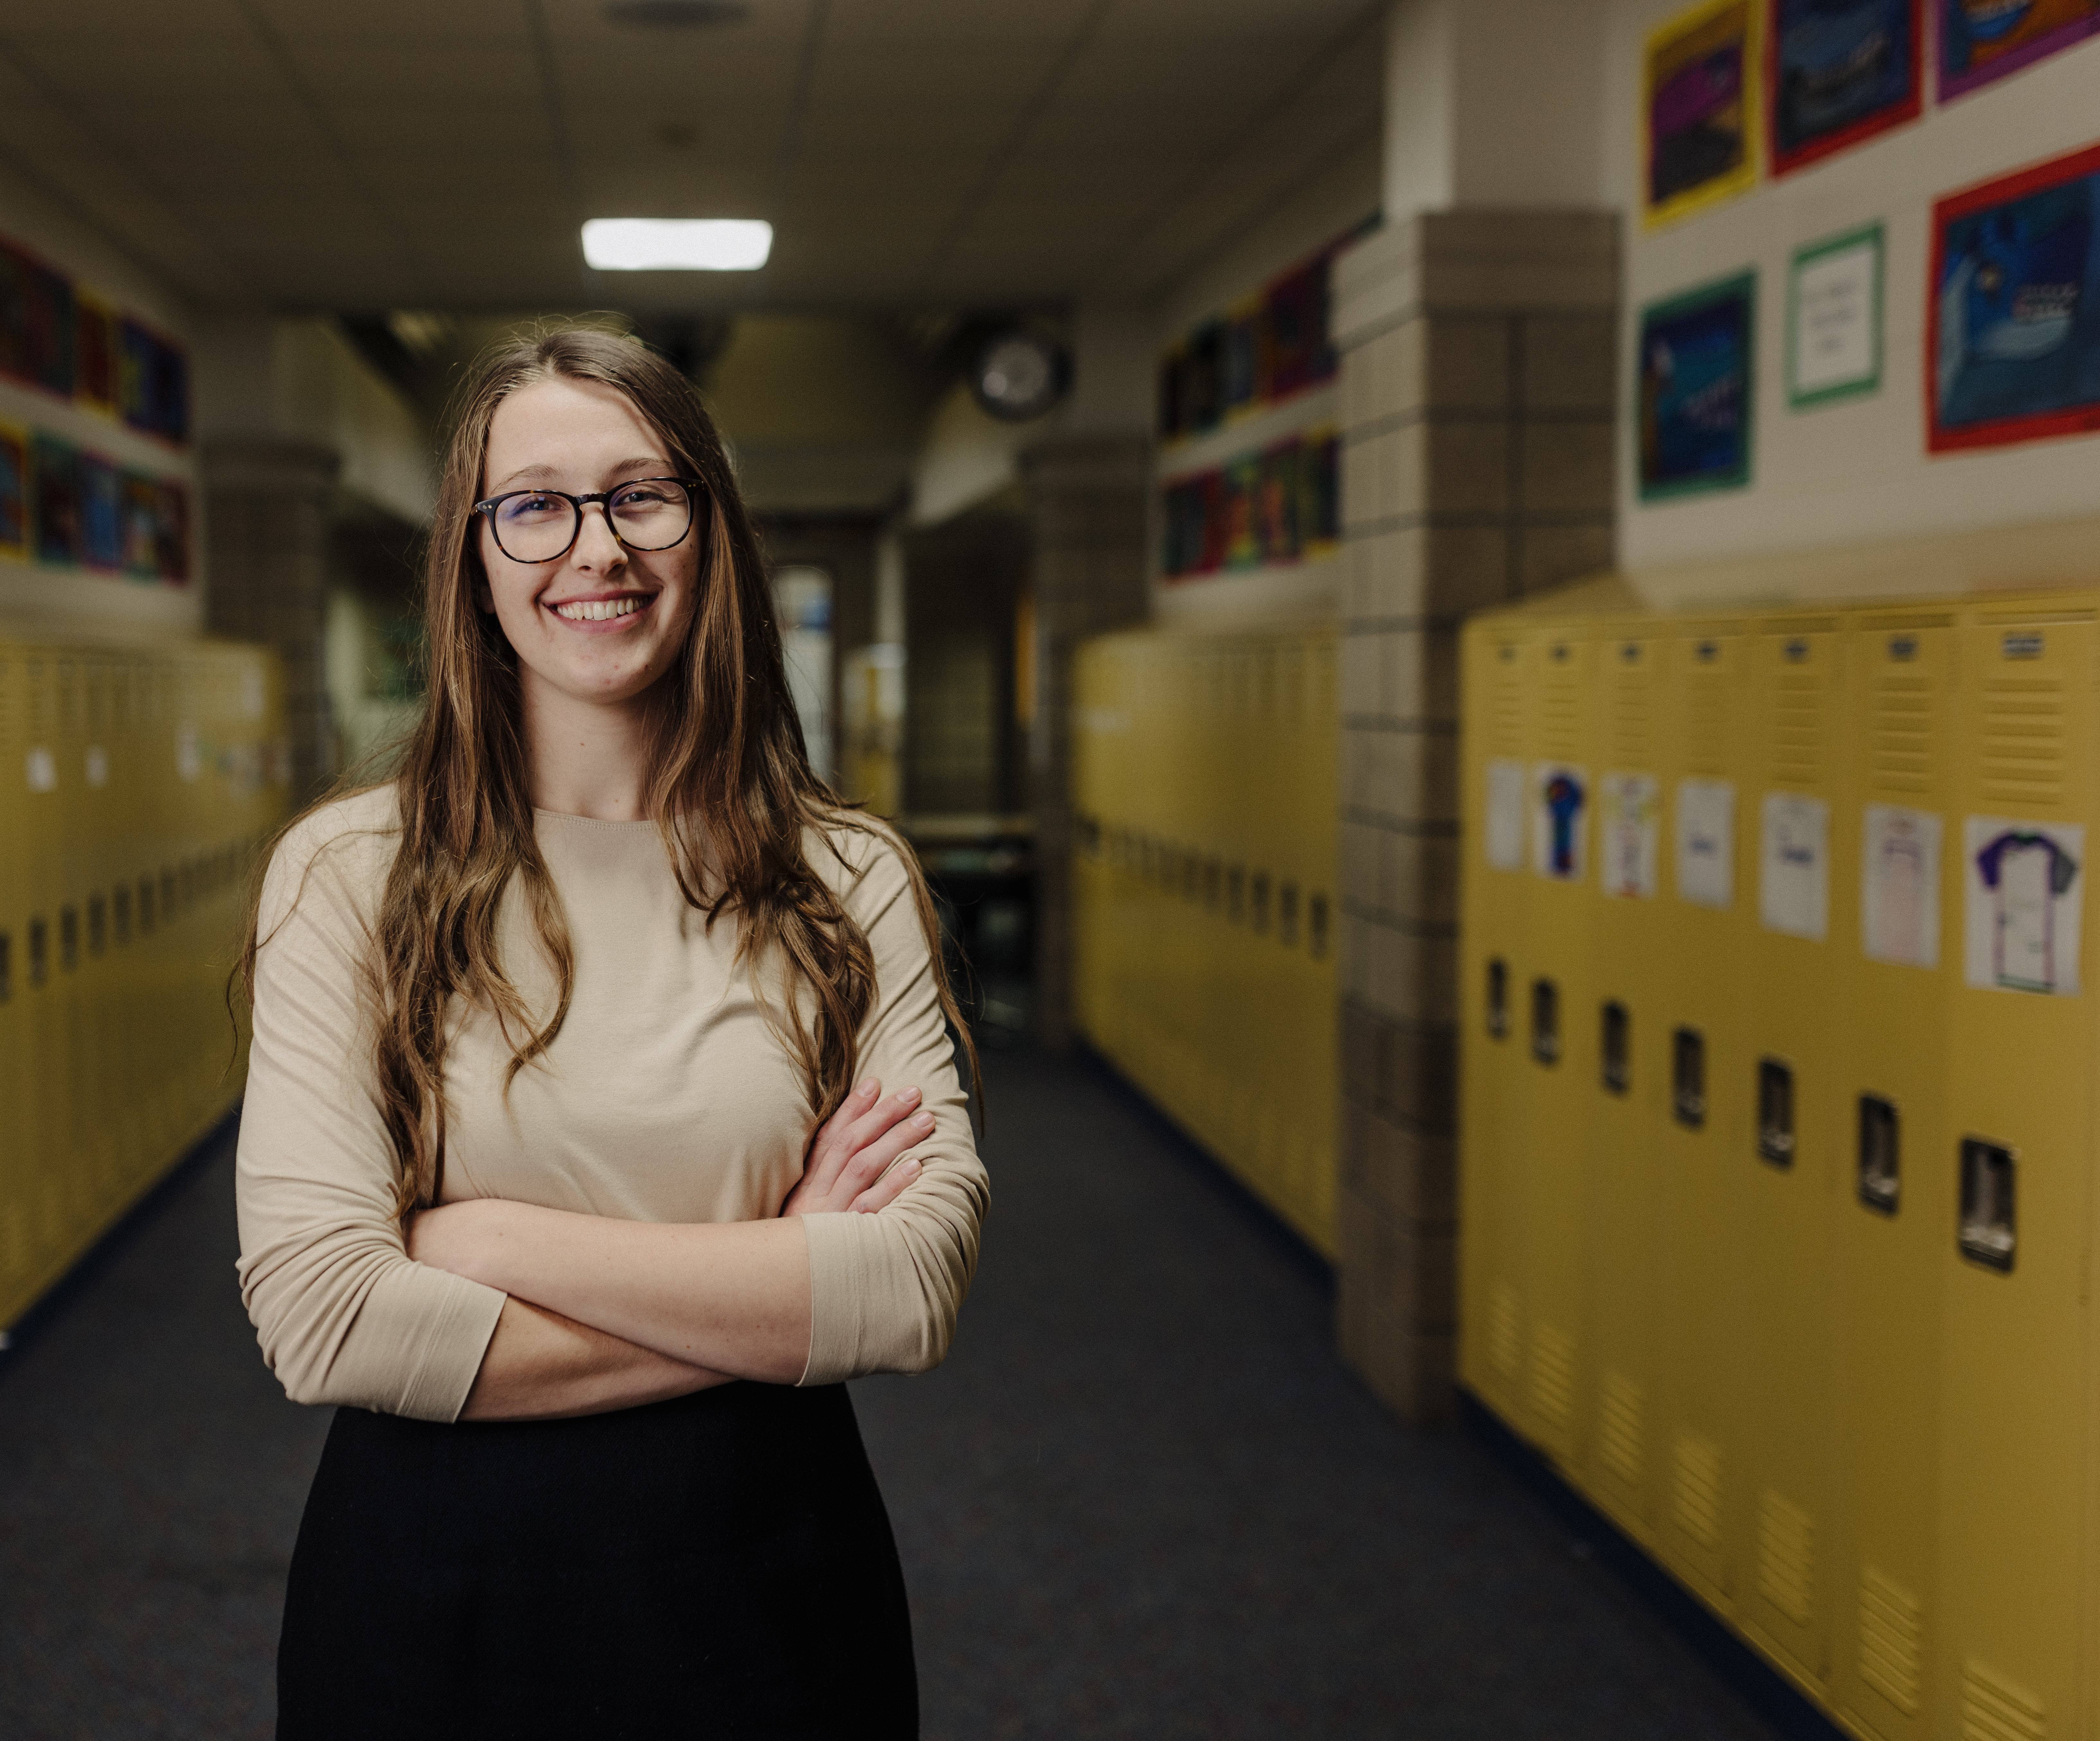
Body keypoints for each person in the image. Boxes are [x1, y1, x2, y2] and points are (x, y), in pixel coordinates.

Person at [234, 324, 988, 1739]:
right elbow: (328, 1317)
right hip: (437, 1593)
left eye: (644, 494)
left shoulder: (847, 872)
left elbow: (908, 1287)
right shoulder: (351, 869)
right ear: (474, 553)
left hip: (772, 1582)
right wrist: (781, 1292)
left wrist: (492, 1241)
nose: (597, 549)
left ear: (711, 532)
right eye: (534, 505)